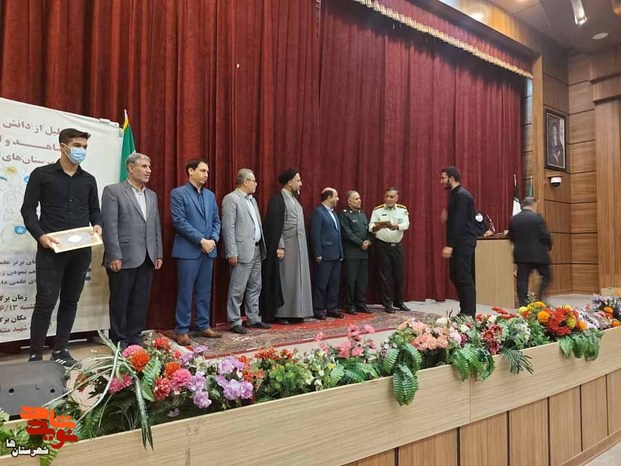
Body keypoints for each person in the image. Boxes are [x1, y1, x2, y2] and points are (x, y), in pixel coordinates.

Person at [20, 128, 102, 366]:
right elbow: (28, 210)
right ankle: (36, 354)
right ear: (63, 146)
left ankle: (61, 350)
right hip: (50, 250)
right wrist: (40, 236)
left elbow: (95, 210)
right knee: (45, 301)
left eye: (84, 147)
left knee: (70, 301)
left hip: (81, 251)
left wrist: (98, 225)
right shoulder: (41, 175)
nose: (81, 150)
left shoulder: (88, 180)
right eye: (77, 146)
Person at [101, 153, 163, 350]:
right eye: (144, 166)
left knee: (140, 300)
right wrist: (114, 254)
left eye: (149, 166)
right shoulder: (113, 191)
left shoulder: (151, 195)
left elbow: (155, 225)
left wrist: (158, 253)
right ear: (130, 168)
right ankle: (119, 339)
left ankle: (135, 336)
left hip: (147, 256)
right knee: (120, 300)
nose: (149, 170)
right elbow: (109, 226)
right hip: (123, 256)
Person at [170, 158, 221, 345]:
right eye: (202, 170)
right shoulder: (178, 193)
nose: (206, 174)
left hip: (209, 250)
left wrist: (213, 239)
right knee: (185, 290)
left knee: (204, 291)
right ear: (190, 171)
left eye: (207, 171)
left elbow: (216, 220)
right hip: (188, 250)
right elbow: (179, 221)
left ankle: (203, 325)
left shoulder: (210, 195)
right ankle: (182, 329)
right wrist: (201, 240)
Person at [221, 168, 272, 334]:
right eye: (253, 181)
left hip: (257, 249)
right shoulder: (231, 199)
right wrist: (231, 251)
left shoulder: (253, 200)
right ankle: (234, 321)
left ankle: (253, 317)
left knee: (255, 286)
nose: (256, 184)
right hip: (241, 251)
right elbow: (228, 227)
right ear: (245, 182)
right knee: (237, 288)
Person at [260, 168, 313, 324]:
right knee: (285, 280)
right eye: (298, 180)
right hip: (286, 248)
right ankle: (282, 313)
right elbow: (274, 226)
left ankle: (297, 312)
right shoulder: (278, 199)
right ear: (289, 182)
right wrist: (279, 245)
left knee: (298, 281)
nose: (301, 183)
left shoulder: (294, 199)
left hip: (299, 248)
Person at [440, 166, 478, 317]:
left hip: (463, 242)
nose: (441, 181)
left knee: (463, 277)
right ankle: (465, 311)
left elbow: (460, 222)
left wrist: (450, 245)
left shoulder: (462, 195)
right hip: (459, 242)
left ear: (451, 178)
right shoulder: (455, 194)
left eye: (443, 178)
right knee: (455, 275)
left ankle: (469, 314)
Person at [368, 187, 410, 314]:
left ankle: (399, 301)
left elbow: (406, 224)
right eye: (387, 196)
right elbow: (370, 227)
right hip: (382, 246)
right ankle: (387, 303)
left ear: (397, 198)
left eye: (392, 197)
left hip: (397, 246)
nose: (389, 199)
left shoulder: (402, 209)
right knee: (385, 276)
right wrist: (376, 227)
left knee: (399, 275)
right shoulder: (378, 210)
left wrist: (396, 226)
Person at [508, 197, 552, 306]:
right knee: (546, 276)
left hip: (521, 255)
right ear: (533, 205)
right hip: (539, 254)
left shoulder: (514, 219)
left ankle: (523, 305)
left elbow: (511, 237)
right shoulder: (537, 218)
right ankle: (539, 298)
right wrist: (548, 246)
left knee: (522, 281)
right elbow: (545, 236)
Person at [310, 188, 344, 320]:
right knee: (321, 284)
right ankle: (318, 309)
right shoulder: (318, 212)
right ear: (329, 198)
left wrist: (341, 252)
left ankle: (332, 308)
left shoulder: (333, 213)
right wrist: (317, 253)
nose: (338, 199)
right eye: (336, 196)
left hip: (336, 254)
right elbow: (315, 234)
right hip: (324, 254)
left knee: (334, 284)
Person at [340, 191, 373, 315]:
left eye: (359, 198)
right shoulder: (345, 215)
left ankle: (361, 303)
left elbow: (369, 230)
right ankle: (349, 305)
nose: (359, 200)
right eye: (356, 198)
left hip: (363, 253)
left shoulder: (362, 214)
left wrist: (369, 241)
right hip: (352, 253)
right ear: (349, 201)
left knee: (362, 281)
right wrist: (361, 243)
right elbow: (347, 233)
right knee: (351, 280)